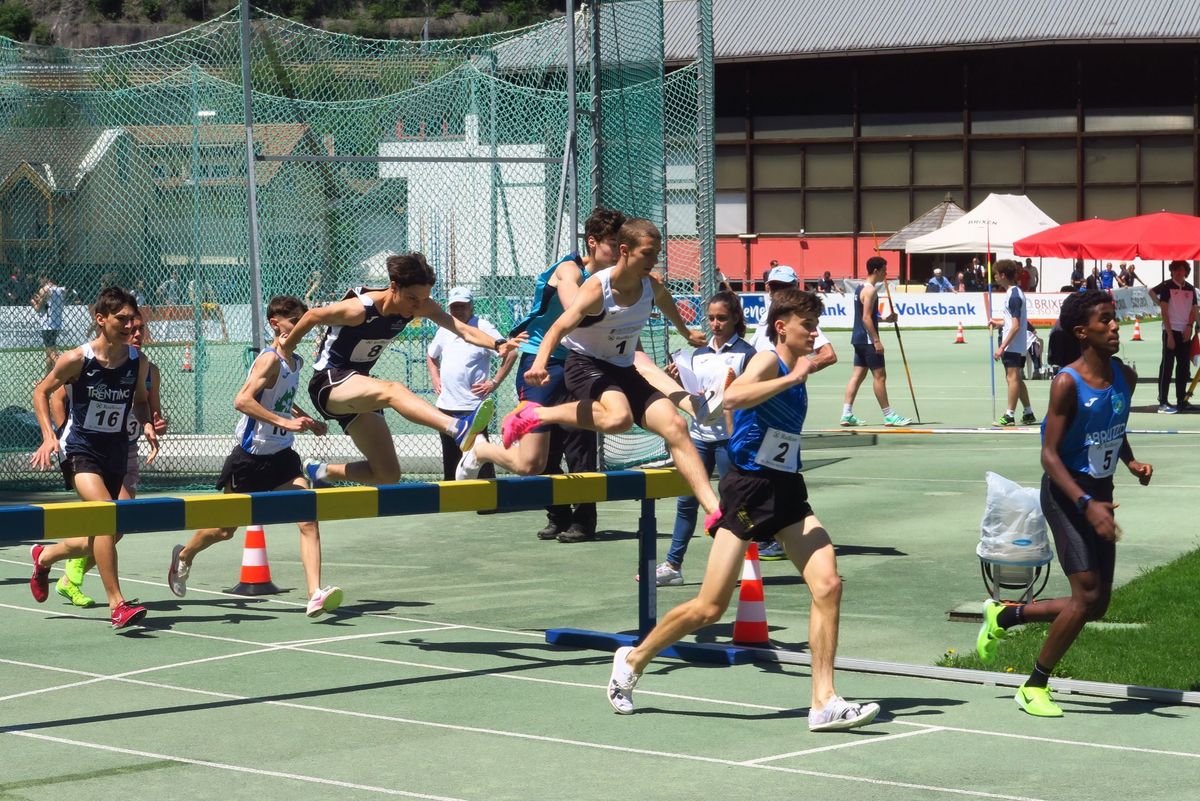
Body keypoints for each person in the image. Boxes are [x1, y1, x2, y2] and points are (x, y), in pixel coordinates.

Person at [605, 288, 881, 732]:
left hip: (787, 487)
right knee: (709, 608)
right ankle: (633, 659)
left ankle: (824, 701)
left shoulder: (796, 365)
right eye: (808, 326)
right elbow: (733, 399)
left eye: (816, 325)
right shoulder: (769, 361)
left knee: (828, 584)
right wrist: (792, 379)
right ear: (781, 328)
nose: (815, 334)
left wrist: (800, 375)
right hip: (749, 490)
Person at [975, 289, 1152, 717]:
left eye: (1114, 318)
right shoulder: (1066, 383)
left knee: (1097, 604)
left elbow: (1113, 422)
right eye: (1105, 320)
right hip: (1065, 493)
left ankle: (1006, 617)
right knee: (1085, 593)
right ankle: (1034, 685)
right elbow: (1049, 456)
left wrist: (1130, 462)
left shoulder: (1125, 377)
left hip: (1100, 495)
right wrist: (1086, 502)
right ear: (1082, 332)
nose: (1115, 326)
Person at [501, 218, 724, 530]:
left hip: (622, 367)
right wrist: (539, 363)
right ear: (625, 251)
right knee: (619, 418)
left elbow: (666, 302)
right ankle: (538, 415)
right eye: (647, 253)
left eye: (657, 253)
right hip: (585, 364)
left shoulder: (651, 286)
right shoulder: (597, 287)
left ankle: (714, 510)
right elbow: (559, 327)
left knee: (675, 425)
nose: (654, 260)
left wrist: (686, 332)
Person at [167, 296, 344, 617]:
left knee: (308, 517)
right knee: (224, 530)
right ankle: (184, 556)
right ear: (276, 324)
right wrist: (285, 422)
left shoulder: (295, 362)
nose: (303, 328)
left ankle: (315, 594)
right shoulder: (269, 360)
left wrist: (305, 418)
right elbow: (242, 400)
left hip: (282, 457)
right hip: (250, 458)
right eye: (297, 323)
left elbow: (280, 399)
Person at [282, 252, 522, 487]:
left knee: (387, 474)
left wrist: (497, 344)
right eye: (412, 299)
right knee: (393, 390)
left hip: (359, 387)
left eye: (423, 299)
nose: (417, 306)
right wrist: (286, 350)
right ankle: (458, 428)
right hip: (329, 382)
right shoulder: (359, 309)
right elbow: (312, 316)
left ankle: (320, 471)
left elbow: (462, 329)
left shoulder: (419, 306)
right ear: (394, 287)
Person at [458, 207, 624, 544]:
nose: (620, 252)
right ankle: (556, 513)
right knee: (537, 458)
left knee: (580, 445)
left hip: (581, 363)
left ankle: (583, 520)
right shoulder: (568, 269)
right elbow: (575, 304)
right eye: (613, 244)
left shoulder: (613, 279)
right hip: (540, 364)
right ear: (593, 243)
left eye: (624, 245)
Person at [28, 287, 157, 630]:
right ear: (101, 319)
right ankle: (117, 604)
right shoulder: (76, 359)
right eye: (122, 319)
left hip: (116, 451)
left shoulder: (137, 361)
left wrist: (146, 423)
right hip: (80, 448)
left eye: (133, 319)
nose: (130, 325)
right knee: (104, 515)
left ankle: (46, 556)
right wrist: (49, 435)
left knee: (113, 529)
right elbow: (41, 391)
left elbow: (140, 400)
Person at [52, 314, 168, 608]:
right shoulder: (89, 360)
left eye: (140, 328)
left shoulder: (148, 369)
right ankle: (103, 594)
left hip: (124, 450)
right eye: (130, 326)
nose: (135, 332)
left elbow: (149, 409)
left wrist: (153, 424)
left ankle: (47, 555)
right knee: (106, 516)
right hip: (86, 447)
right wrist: (60, 433)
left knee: (119, 524)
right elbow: (56, 397)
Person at [650, 292, 756, 586]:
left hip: (729, 440)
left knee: (732, 503)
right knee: (687, 500)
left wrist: (735, 392)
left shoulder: (747, 354)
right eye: (710, 318)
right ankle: (673, 566)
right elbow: (692, 395)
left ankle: (735, 565)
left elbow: (752, 397)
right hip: (698, 437)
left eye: (722, 318)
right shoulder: (698, 355)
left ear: (735, 318)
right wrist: (676, 380)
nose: (715, 324)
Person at [749, 264, 838, 559]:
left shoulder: (798, 320)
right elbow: (737, 392)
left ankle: (765, 533)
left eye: (784, 287)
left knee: (775, 473)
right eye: (774, 286)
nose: (778, 292)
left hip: (781, 409)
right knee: (753, 474)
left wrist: (798, 371)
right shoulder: (767, 319)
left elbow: (829, 354)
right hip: (758, 412)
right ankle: (757, 532)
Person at [427, 286, 517, 481]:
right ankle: (452, 495)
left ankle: (488, 496)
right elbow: (431, 355)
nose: (458, 310)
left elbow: (510, 353)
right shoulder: (445, 327)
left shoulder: (483, 327)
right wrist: (435, 377)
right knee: (451, 462)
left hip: (473, 408)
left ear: (471, 306)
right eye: (454, 306)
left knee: (480, 461)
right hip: (446, 407)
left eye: (463, 306)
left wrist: (494, 382)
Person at [841, 256, 912, 427]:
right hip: (867, 340)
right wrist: (876, 340)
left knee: (858, 375)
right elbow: (866, 318)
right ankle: (889, 415)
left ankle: (846, 414)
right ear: (876, 270)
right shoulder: (870, 291)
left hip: (858, 338)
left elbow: (869, 316)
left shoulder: (860, 288)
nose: (885, 274)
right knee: (880, 376)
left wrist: (886, 319)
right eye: (884, 270)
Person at [991, 260, 1036, 426]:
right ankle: (1028, 412)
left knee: (1012, 378)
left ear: (1003, 275)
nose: (995, 277)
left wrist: (1002, 347)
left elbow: (1016, 325)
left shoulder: (1014, 295)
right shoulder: (1014, 292)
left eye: (996, 274)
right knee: (1016, 378)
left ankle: (1009, 414)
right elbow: (1013, 321)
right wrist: (999, 323)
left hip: (1013, 344)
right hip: (1016, 343)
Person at [1150, 260, 1197, 414]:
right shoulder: (1167, 286)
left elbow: (1194, 309)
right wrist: (1169, 334)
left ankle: (1181, 400)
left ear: (1186, 271)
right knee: (1167, 366)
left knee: (1183, 366)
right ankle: (1163, 401)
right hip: (1170, 331)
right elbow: (1164, 311)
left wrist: (1189, 327)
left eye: (1181, 269)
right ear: (1172, 271)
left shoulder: (1190, 288)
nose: (1178, 272)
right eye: (1175, 270)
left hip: (1185, 332)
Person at [31, 276, 68, 374]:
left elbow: (38, 308)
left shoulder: (44, 289)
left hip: (47, 324)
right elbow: (50, 305)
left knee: (51, 352)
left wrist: (34, 302)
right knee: (49, 351)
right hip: (57, 323)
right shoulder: (61, 289)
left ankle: (64, 371)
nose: (39, 281)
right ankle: (48, 376)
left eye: (40, 278)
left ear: (45, 278)